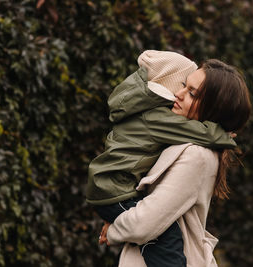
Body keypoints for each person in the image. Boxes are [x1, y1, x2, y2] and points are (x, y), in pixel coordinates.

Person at [86, 51, 237, 267]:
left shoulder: (197, 154)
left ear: (214, 106)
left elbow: (144, 224)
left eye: (192, 93)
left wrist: (114, 230)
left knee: (169, 241)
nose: (179, 94)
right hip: (113, 191)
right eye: (183, 85)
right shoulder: (171, 133)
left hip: (172, 256)